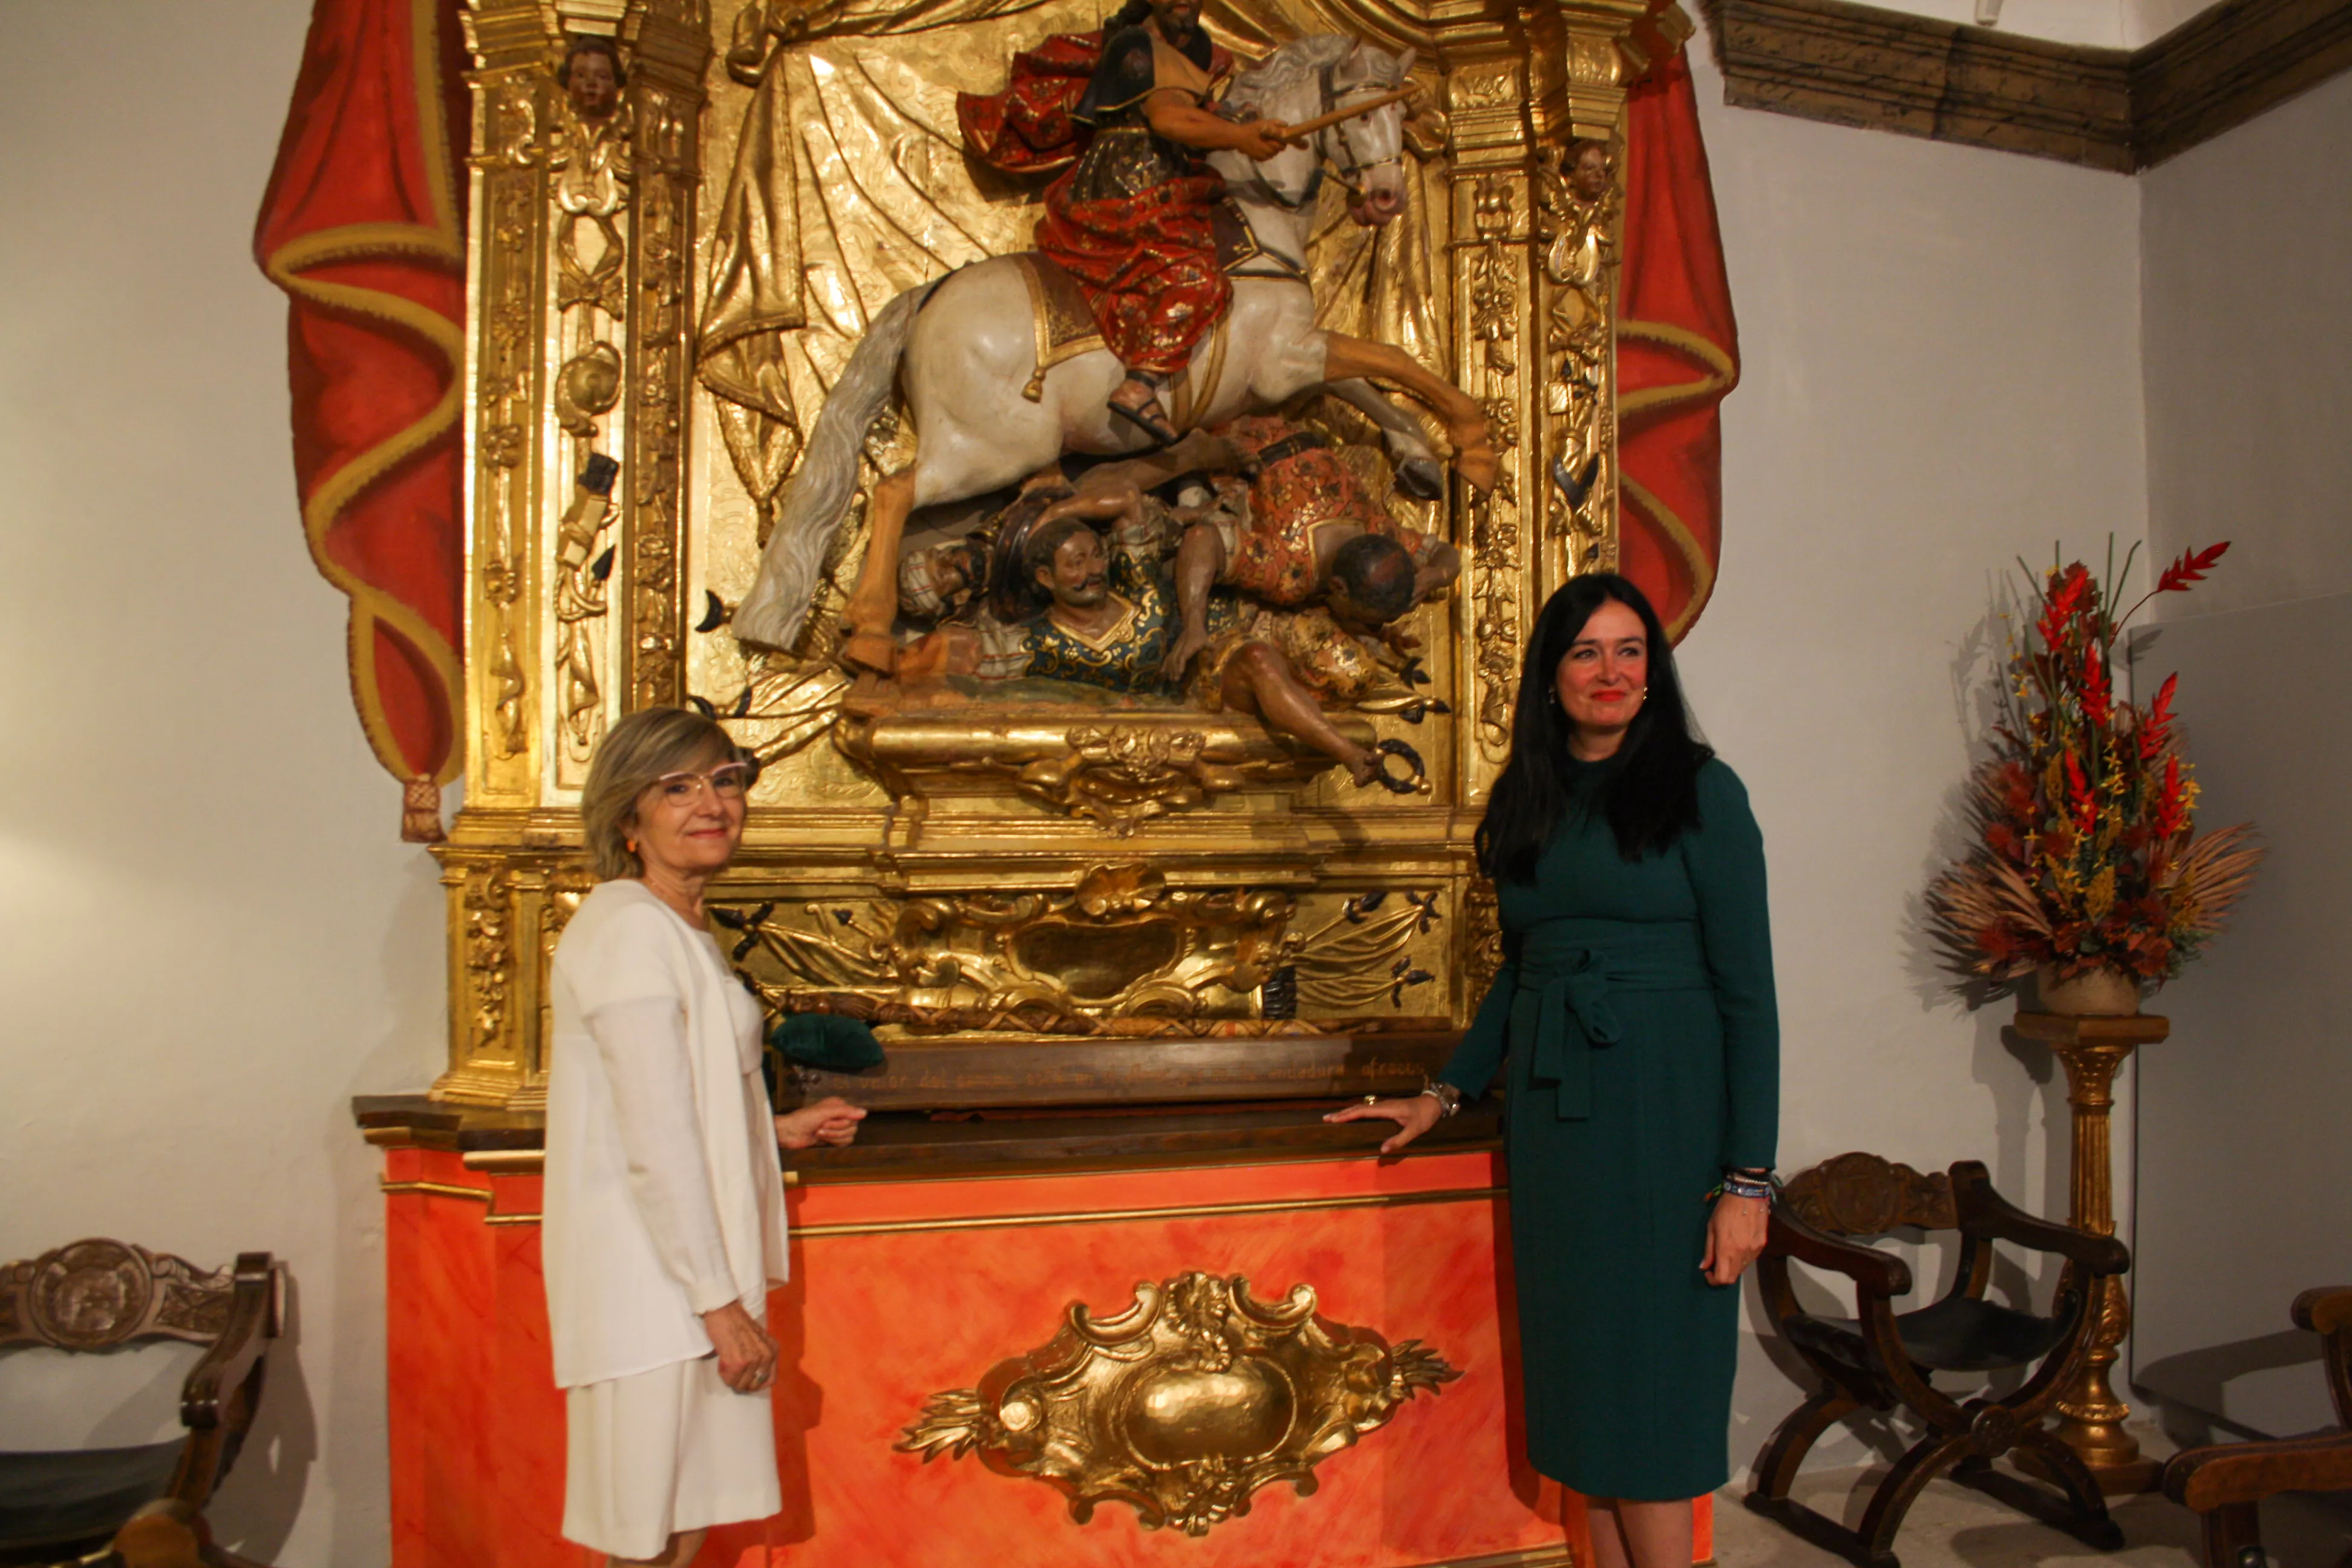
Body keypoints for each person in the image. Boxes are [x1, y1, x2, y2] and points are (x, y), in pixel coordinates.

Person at [1326, 574, 1778, 1568]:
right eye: (1584, 651)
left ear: (1653, 671)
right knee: (1587, 1404)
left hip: (1664, 1116)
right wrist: (1442, 1091)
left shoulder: (1703, 789)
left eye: (1628, 650)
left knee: (1652, 1403)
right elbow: (1522, 975)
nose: (1608, 671)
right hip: (1556, 1127)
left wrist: (1747, 1181)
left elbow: (1750, 999)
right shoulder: (1528, 794)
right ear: (1549, 675)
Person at [543, 707, 866, 1567]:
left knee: (683, 1522)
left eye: (725, 780)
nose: (711, 803)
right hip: (655, 1286)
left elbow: (684, 1097)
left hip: (688, 1277)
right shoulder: (623, 929)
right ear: (627, 821)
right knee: (646, 1534)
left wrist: (774, 1128)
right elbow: (653, 1134)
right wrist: (718, 1308)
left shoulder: (679, 928)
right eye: (677, 787)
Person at [1028, 0, 1288, 443]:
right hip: (1127, 182)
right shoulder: (1135, 45)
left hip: (1169, 176)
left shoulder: (1195, 45)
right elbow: (1167, 116)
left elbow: (1193, 105)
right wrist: (1240, 138)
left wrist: (1239, 122)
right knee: (1198, 279)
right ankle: (1140, 384)